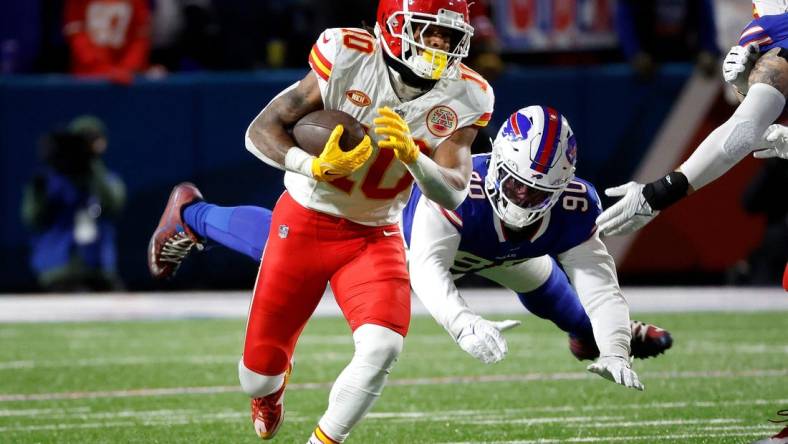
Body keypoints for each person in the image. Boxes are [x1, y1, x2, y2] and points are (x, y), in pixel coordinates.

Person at [150, 0, 493, 442]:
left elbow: (453, 190)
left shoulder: (468, 93)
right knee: (256, 375)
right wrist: (310, 166)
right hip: (308, 220)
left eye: (449, 36)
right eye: (429, 32)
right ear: (394, 25)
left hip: (376, 233)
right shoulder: (347, 54)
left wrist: (415, 159)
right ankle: (268, 392)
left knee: (384, 345)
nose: (440, 45)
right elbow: (260, 130)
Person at [149, 107, 673, 392]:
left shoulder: (569, 206)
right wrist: (464, 322)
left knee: (537, 276)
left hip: (486, 246)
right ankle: (192, 213)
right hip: (394, 236)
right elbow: (429, 273)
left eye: (539, 192)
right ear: (499, 169)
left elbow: (594, 277)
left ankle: (587, 337)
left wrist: (612, 338)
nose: (525, 198)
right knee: (285, 248)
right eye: (517, 185)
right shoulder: (461, 194)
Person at [596, 1, 788, 290]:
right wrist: (657, 194)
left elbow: (744, 129)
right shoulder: (774, 27)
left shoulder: (773, 27)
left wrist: (657, 194)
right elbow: (745, 127)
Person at [21, 115, 126, 292]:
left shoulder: (106, 180)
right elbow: (32, 218)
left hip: (99, 269)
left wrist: (92, 164)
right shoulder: (48, 182)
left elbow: (113, 206)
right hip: (58, 270)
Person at [64, 0, 151, 84]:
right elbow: (77, 35)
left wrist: (127, 68)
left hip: (129, 79)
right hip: (87, 78)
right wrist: (103, 69)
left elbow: (140, 37)